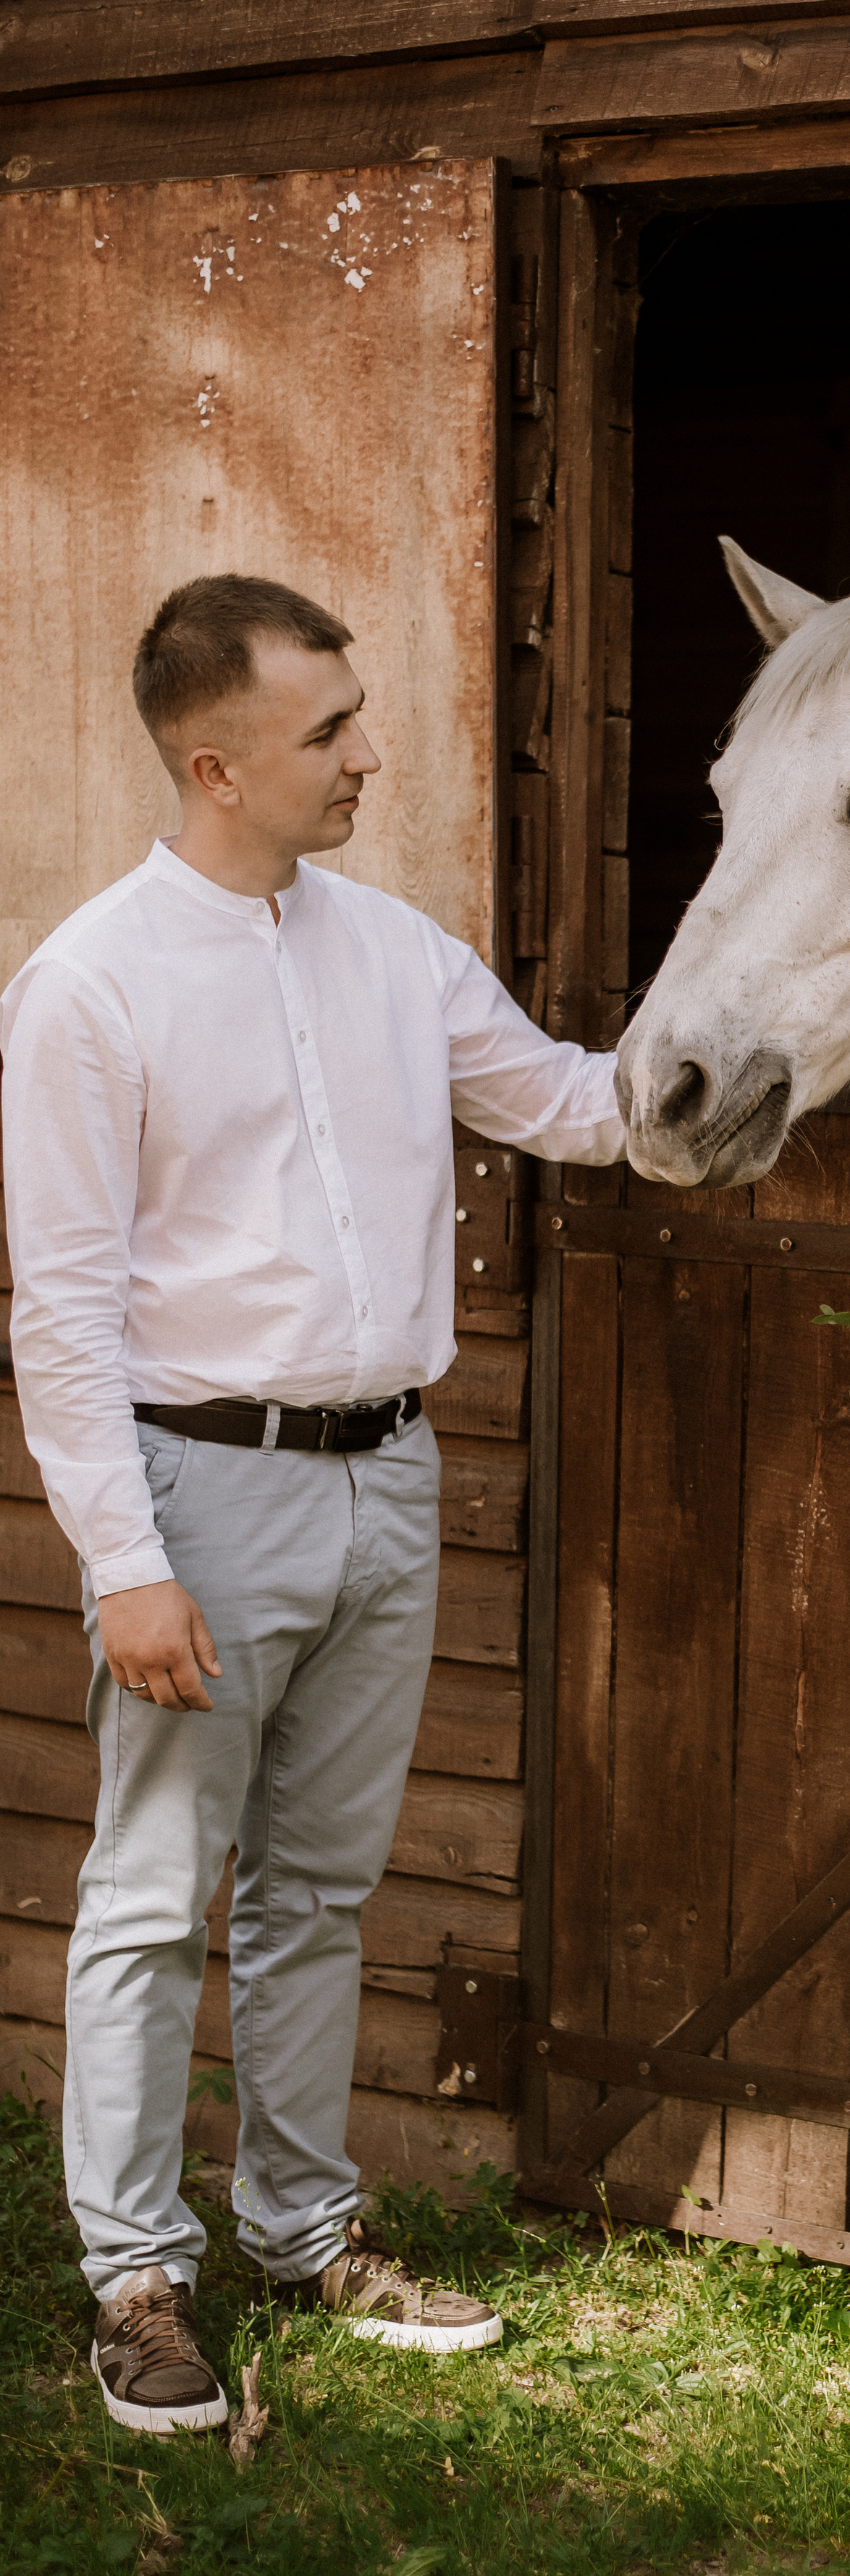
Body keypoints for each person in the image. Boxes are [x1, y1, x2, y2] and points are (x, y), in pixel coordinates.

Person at [0, 575, 628, 2433]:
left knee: (318, 1895)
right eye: (330, 730)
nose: (370, 755)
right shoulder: (89, 986)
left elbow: (578, 1105)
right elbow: (64, 1305)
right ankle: (133, 2275)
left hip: (389, 1477)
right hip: (201, 1490)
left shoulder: (398, 952)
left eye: (358, 715)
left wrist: (777, 1032)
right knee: (150, 1895)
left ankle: (300, 2228)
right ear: (216, 763)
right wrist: (125, 1562)